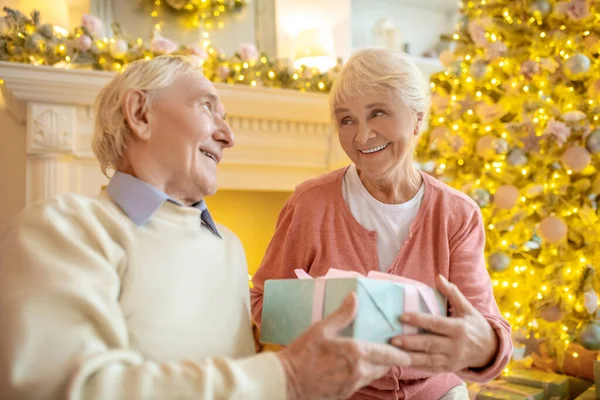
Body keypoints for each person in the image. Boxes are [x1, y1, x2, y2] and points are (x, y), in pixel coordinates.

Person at [0, 55, 412, 400]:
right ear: (140, 114)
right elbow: (66, 389)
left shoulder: (228, 248)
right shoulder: (66, 229)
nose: (227, 135)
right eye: (206, 107)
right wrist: (286, 376)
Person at [250, 48, 513, 399]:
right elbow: (261, 299)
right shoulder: (309, 204)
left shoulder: (457, 213)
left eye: (378, 113)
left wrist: (482, 346)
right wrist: (317, 314)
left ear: (418, 118)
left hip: (434, 392)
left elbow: (491, 332)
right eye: (346, 120)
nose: (361, 137)